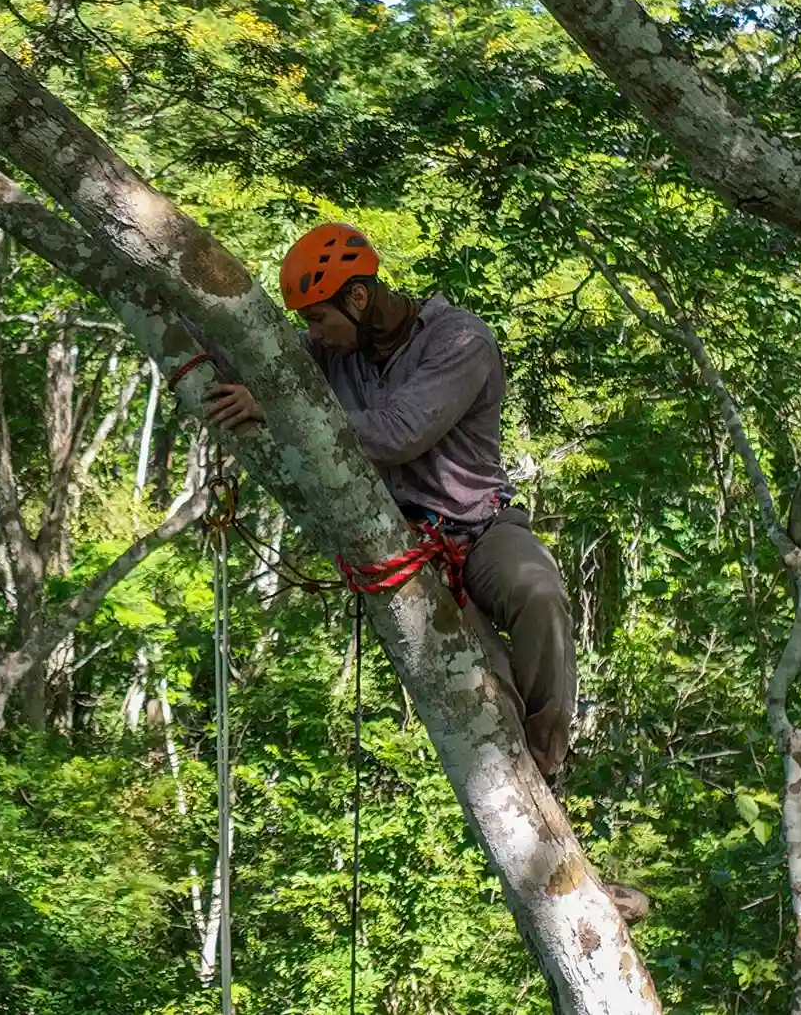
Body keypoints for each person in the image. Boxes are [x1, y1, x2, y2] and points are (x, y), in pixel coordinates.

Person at [204, 222, 649, 922]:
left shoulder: (457, 340)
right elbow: (257, 357)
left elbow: (399, 431)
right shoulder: (335, 351)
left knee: (537, 594)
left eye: (319, 317)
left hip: (480, 527)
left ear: (358, 296)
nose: (313, 335)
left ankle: (550, 762)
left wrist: (278, 409)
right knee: (485, 691)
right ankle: (555, 839)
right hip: (408, 546)